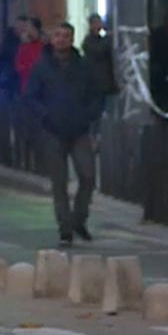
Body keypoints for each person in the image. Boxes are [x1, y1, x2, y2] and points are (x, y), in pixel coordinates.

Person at [24, 22, 105, 246]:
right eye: (58, 35)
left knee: (87, 177)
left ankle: (79, 219)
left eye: (66, 36)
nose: (61, 40)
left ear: (72, 39)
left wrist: (88, 115)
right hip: (53, 131)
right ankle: (65, 229)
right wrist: (45, 115)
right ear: (52, 39)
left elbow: (97, 95)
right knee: (59, 183)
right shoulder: (42, 66)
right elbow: (30, 96)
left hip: (79, 130)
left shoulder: (84, 66)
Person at [83, 13, 117, 103]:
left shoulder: (100, 39)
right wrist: (108, 36)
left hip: (106, 82)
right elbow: (100, 50)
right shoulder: (89, 41)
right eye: (96, 23)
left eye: (99, 22)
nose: (99, 25)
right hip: (96, 83)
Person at [14, 17, 45, 93]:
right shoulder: (24, 44)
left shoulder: (44, 45)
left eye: (27, 26)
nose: (25, 29)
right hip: (26, 85)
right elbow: (19, 64)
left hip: (41, 85)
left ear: (34, 28)